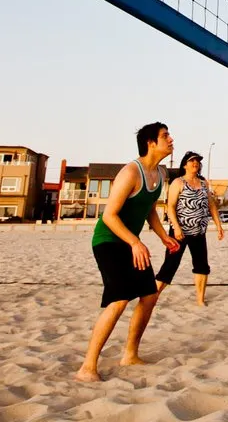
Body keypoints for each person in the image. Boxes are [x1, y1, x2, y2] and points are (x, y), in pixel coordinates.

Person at [75, 122, 180, 382]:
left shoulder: (160, 174)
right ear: (150, 143)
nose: (171, 139)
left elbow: (149, 208)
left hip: (131, 242)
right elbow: (109, 216)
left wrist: (163, 236)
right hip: (108, 241)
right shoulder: (130, 173)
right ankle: (87, 367)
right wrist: (135, 242)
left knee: (149, 296)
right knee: (120, 300)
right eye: (165, 136)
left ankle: (130, 354)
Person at [155, 151, 224, 306]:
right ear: (185, 164)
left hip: (199, 232)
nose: (195, 163)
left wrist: (219, 225)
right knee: (170, 265)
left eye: (197, 161)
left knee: (202, 265)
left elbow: (211, 205)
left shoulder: (203, 183)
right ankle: (152, 297)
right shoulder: (178, 183)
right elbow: (170, 207)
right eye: (192, 161)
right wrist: (177, 228)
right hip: (179, 232)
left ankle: (200, 299)